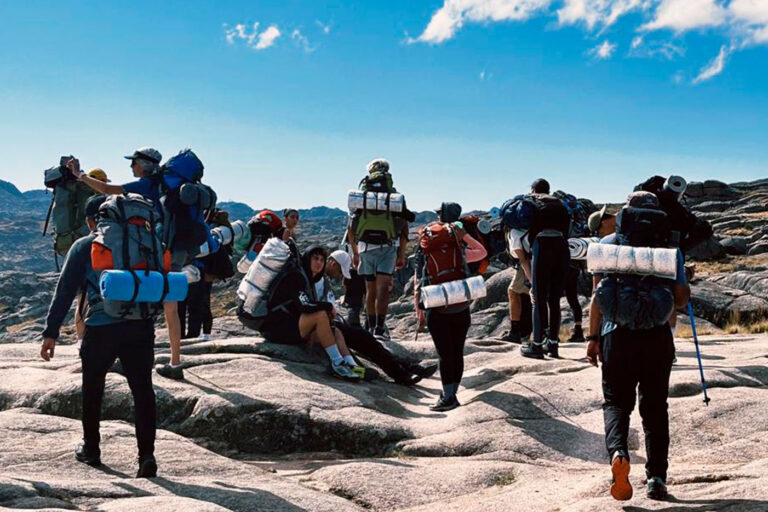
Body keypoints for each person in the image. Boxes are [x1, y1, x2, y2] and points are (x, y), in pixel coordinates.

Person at [40, 194, 158, 478]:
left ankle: (91, 448)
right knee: (142, 390)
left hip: (102, 326)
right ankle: (147, 456)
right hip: (140, 325)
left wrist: (50, 333)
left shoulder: (85, 246)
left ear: (95, 219)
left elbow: (65, 291)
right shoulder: (145, 243)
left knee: (93, 387)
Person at [586, 191, 690, 502]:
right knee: (655, 408)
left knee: (616, 403)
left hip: (616, 335)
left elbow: (597, 297)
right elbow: (681, 298)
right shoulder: (669, 250)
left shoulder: (606, 247)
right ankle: (657, 477)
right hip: (657, 336)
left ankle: (619, 453)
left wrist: (592, 339)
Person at [69, 149, 185, 380]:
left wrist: (80, 174)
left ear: (142, 164)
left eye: (133, 163)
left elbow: (106, 190)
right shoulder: (164, 186)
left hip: (146, 248)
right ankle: (175, 360)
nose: (131, 167)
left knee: (125, 293)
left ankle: (112, 356)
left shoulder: (145, 185)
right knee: (169, 306)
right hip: (166, 247)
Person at [320, 250, 437, 385]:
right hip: (327, 327)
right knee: (368, 342)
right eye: (340, 272)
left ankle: (407, 370)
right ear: (334, 264)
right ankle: (406, 371)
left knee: (369, 341)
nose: (339, 276)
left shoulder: (322, 280)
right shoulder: (314, 279)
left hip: (333, 324)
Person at [414, 202, 488, 411]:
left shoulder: (426, 249)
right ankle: (451, 392)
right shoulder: (460, 248)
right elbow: (482, 252)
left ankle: (448, 397)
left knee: (444, 353)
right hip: (460, 304)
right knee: (456, 351)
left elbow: (419, 280)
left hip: (436, 306)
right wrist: (463, 235)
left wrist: (419, 310)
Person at [256, 246, 363, 381]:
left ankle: (352, 366)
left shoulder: (308, 278)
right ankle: (337, 363)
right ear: (308, 259)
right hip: (275, 328)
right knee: (320, 315)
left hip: (290, 325)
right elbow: (305, 306)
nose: (319, 263)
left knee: (336, 331)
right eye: (315, 258)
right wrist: (328, 306)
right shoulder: (296, 276)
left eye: (322, 260)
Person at [347, 159, 409, 339]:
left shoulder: (363, 196)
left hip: (366, 248)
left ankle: (370, 326)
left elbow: (351, 227)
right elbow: (404, 228)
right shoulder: (394, 196)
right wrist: (401, 254)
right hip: (388, 247)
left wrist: (356, 252)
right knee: (383, 289)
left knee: (370, 289)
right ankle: (380, 329)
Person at [521, 179, 571, 360]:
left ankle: (536, 345)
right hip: (562, 247)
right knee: (555, 299)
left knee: (538, 297)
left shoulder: (532, 201)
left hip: (542, 246)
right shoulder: (561, 204)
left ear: (533, 189)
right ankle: (553, 345)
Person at [500, 225, 533, 344]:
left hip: (527, 265)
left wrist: (530, 279)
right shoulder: (531, 227)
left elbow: (522, 258)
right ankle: (527, 331)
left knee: (513, 292)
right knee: (528, 296)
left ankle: (515, 332)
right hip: (538, 260)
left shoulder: (514, 232)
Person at [338, 232, 367, 327]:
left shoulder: (352, 225)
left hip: (352, 270)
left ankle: (354, 324)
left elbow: (344, 250)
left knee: (353, 301)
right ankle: (371, 323)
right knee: (372, 297)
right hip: (370, 268)